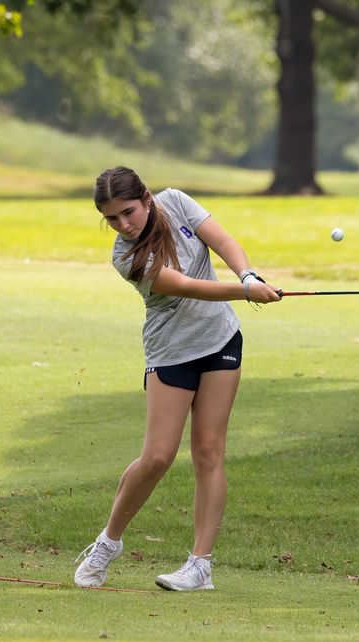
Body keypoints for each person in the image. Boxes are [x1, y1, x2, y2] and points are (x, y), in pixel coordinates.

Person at [74, 166, 282, 591]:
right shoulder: (125, 257)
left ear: (147, 198)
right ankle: (108, 542)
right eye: (112, 219)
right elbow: (186, 285)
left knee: (209, 451)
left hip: (221, 339)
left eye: (128, 212)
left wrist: (247, 274)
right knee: (157, 457)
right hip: (172, 352)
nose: (124, 225)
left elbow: (222, 241)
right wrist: (246, 292)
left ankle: (200, 565)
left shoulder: (176, 202)